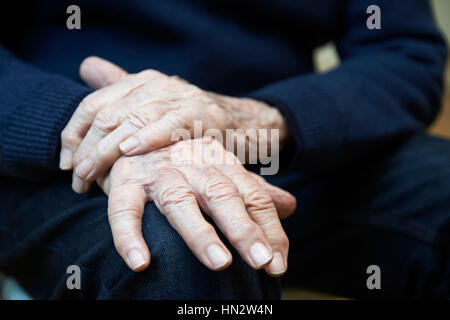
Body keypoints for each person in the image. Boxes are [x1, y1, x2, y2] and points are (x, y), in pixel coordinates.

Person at [0, 0, 448, 299]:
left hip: (279, 143)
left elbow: (403, 49)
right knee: (174, 251)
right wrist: (101, 127)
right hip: (61, 155)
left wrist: (253, 118)